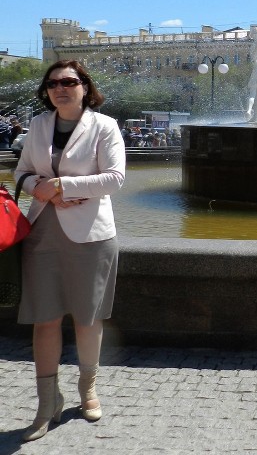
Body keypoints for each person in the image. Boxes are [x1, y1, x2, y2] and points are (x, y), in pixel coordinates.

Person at [14, 60, 125, 441]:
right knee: (44, 318)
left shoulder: (104, 126)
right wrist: (40, 189)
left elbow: (115, 178)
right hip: (42, 232)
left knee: (87, 318)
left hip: (91, 235)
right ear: (46, 91)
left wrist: (62, 186)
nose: (60, 88)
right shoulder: (38, 125)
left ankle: (87, 389)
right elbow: (21, 172)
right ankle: (47, 403)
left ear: (84, 87)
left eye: (68, 81)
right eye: (52, 83)